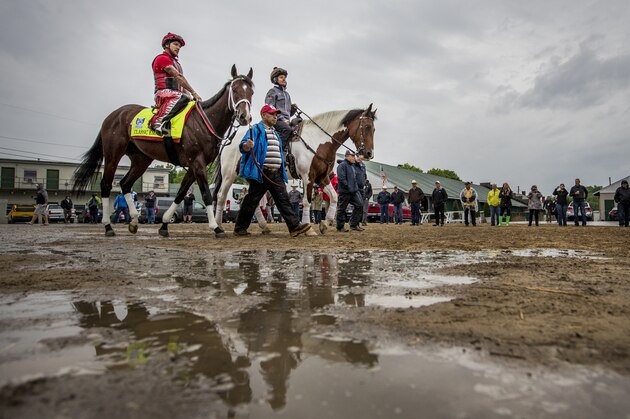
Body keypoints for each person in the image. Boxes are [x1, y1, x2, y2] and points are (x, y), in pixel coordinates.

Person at [234, 104, 311, 237]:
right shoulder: (256, 129)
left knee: (283, 199)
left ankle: (294, 227)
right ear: (263, 115)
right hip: (262, 172)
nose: (275, 117)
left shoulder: (275, 132)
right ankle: (240, 228)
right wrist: (247, 145)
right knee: (252, 200)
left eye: (276, 114)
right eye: (272, 114)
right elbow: (243, 145)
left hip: (275, 173)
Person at [151, 32, 202, 136]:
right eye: (175, 44)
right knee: (184, 97)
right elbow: (178, 77)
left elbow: (181, 85)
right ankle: (156, 122)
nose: (178, 48)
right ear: (166, 45)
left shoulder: (177, 63)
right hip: (162, 94)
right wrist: (194, 93)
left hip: (176, 95)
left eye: (179, 46)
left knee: (189, 101)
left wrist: (191, 97)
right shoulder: (162, 58)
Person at [265, 67, 298, 149]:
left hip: (286, 121)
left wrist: (293, 109)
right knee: (287, 130)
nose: (284, 79)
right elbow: (269, 108)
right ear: (275, 79)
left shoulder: (287, 94)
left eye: (285, 78)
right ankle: (279, 150)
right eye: (281, 77)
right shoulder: (272, 91)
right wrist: (283, 119)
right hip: (276, 120)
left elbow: (288, 113)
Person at [336, 150, 364, 232]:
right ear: (347, 156)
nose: (354, 158)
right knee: (342, 209)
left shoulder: (352, 166)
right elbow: (341, 178)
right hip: (345, 192)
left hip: (354, 191)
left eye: (354, 156)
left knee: (360, 205)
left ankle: (353, 224)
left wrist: (354, 188)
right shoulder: (341, 166)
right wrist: (348, 187)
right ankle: (340, 227)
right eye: (352, 156)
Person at [354, 153, 368, 225]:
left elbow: (364, 175)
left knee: (361, 206)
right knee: (357, 205)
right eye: (359, 158)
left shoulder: (363, 166)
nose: (360, 159)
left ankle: (356, 223)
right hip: (355, 188)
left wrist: (364, 181)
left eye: (362, 158)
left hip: (362, 188)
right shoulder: (353, 164)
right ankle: (354, 222)